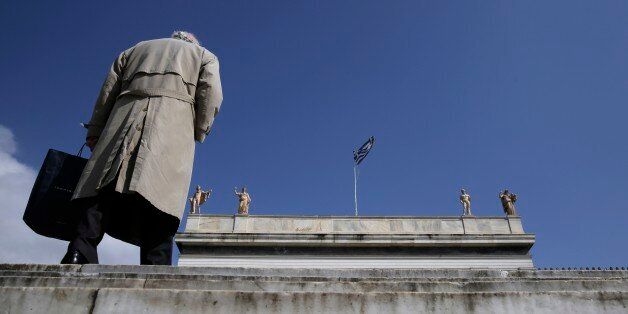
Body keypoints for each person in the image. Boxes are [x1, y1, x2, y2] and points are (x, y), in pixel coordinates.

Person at [61, 31, 223, 265]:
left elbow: (107, 92)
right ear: (192, 42)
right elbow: (211, 94)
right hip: (172, 121)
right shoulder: (204, 55)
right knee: (161, 194)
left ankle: (79, 250)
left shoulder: (134, 49)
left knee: (101, 187)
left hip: (124, 115)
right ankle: (155, 264)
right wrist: (199, 129)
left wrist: (95, 131)